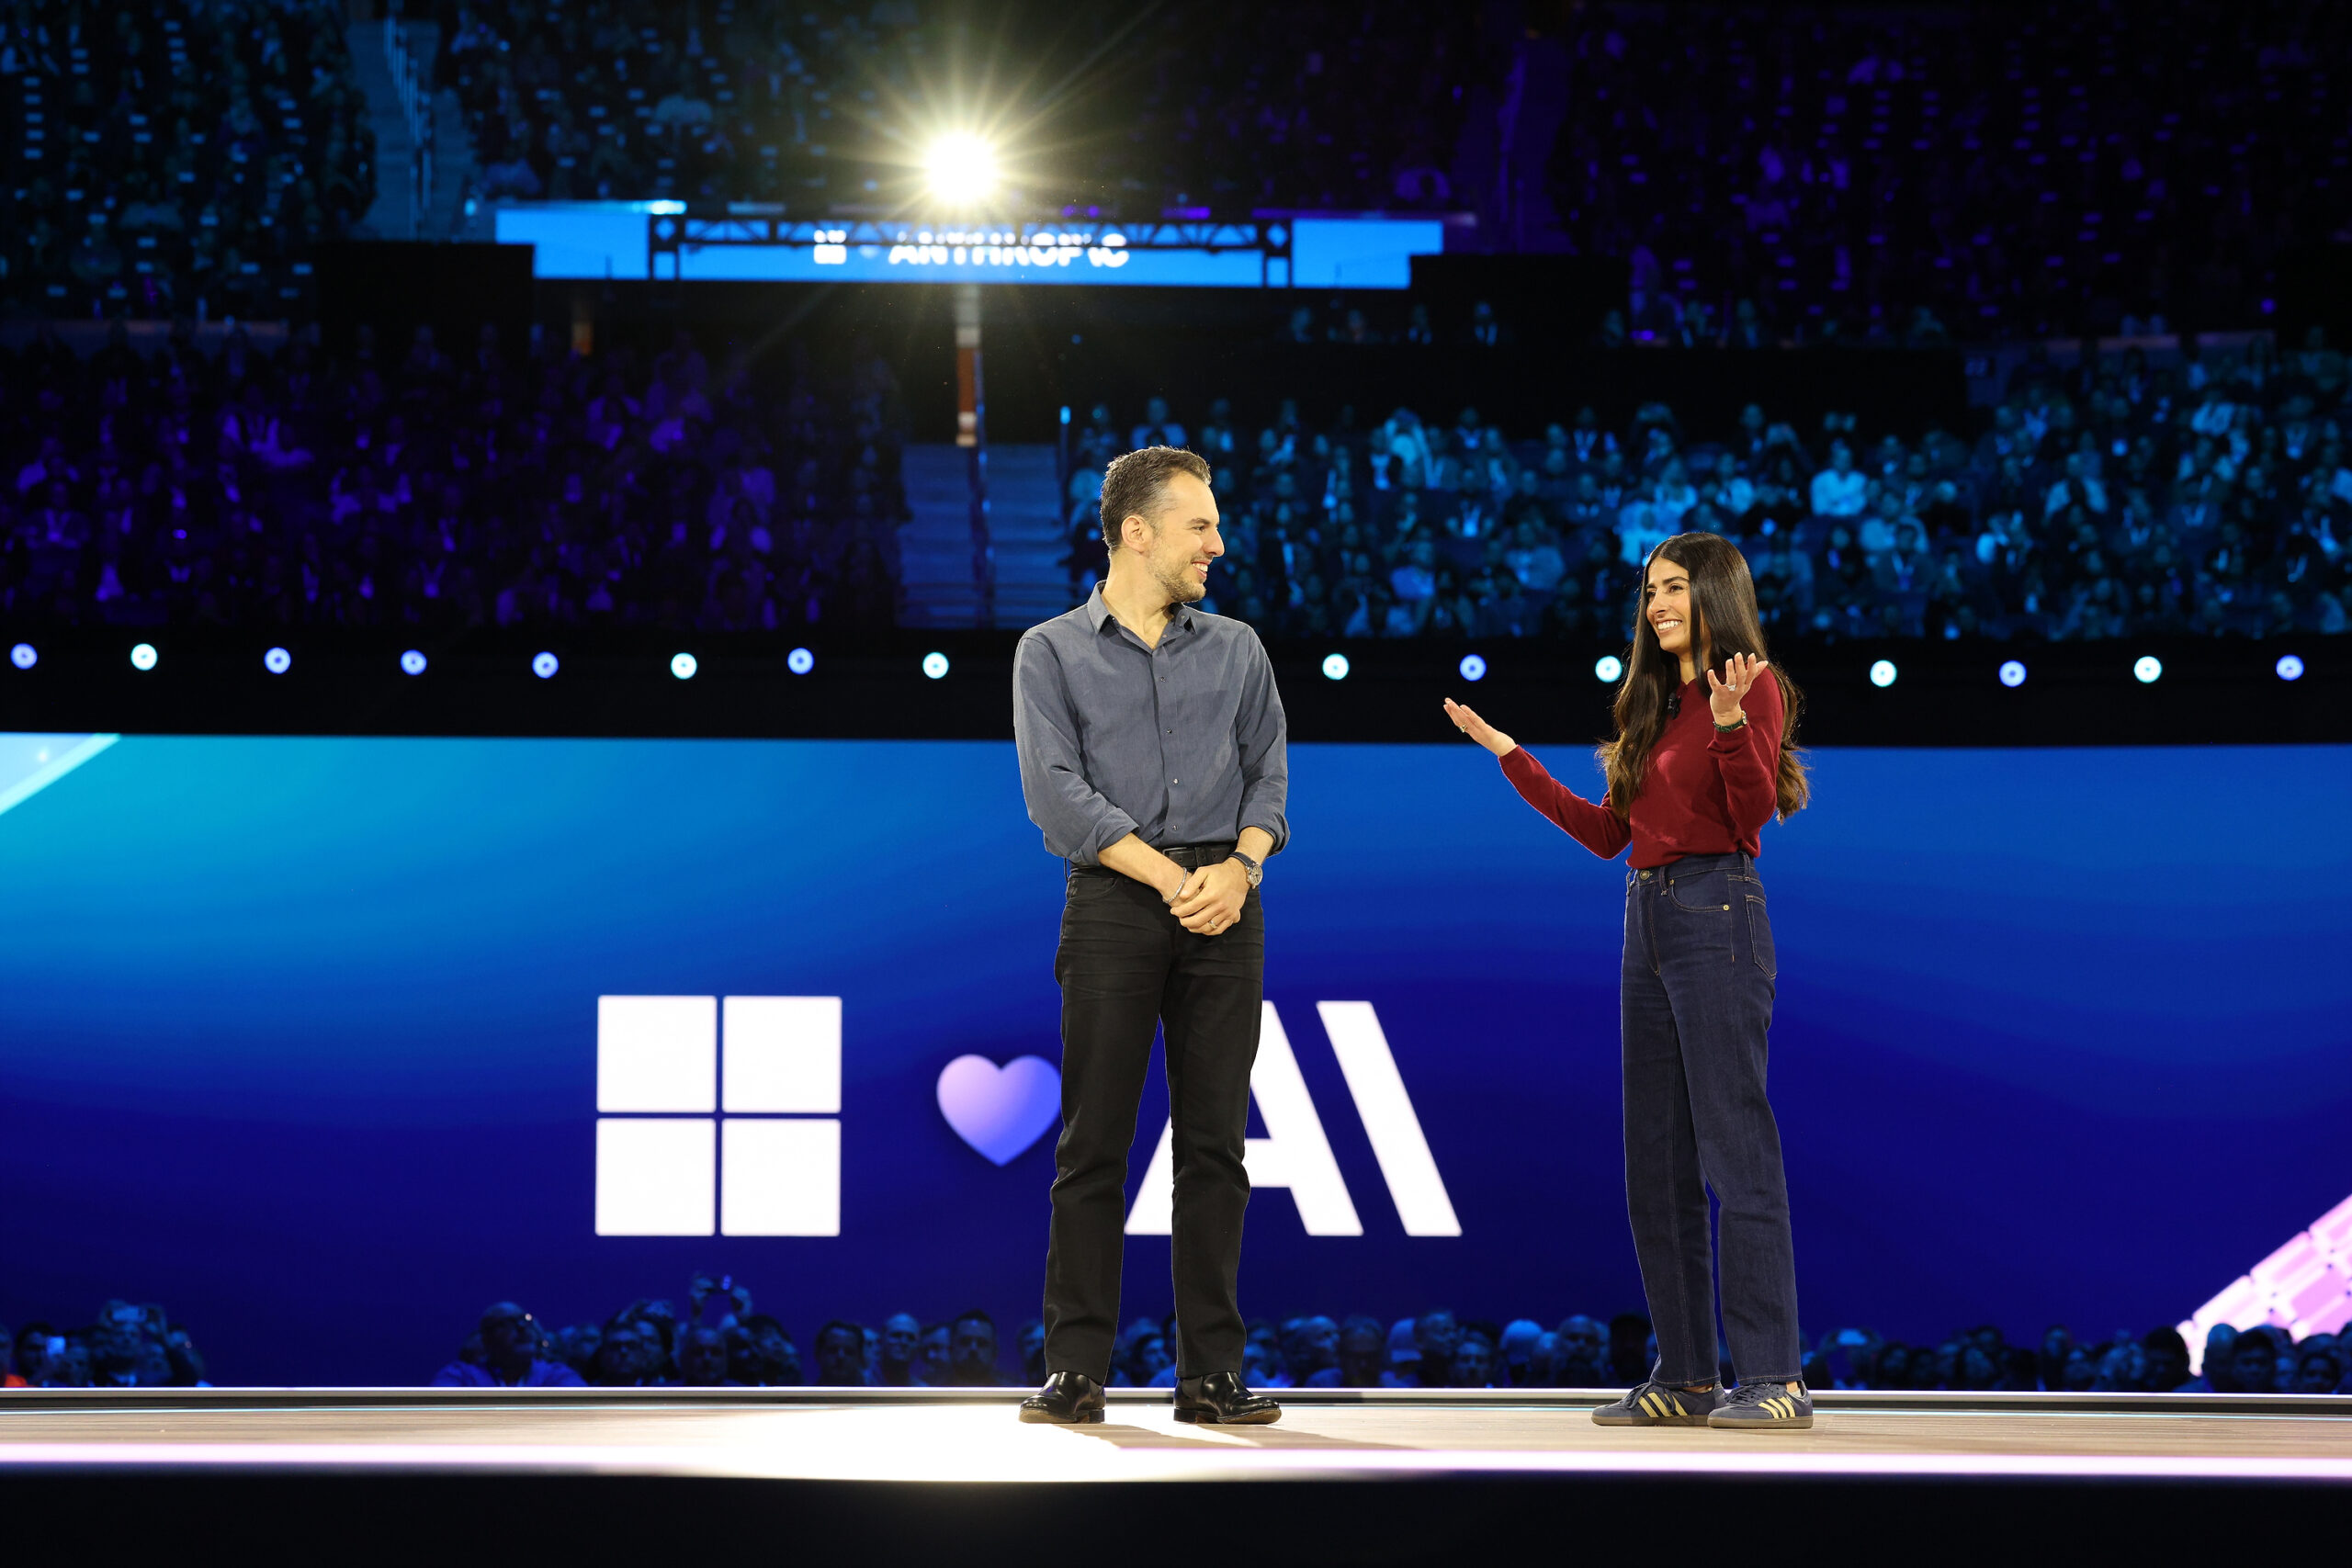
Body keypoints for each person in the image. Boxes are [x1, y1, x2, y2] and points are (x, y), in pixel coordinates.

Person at [1444, 531, 1814, 1432]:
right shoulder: (1650, 702)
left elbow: (1750, 810)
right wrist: (1510, 756)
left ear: (1715, 595)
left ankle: (1773, 1376)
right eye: (1650, 590)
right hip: (1644, 920)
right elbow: (1612, 835)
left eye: (1675, 588)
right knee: (1655, 1165)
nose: (1657, 604)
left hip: (1716, 911)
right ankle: (1686, 1376)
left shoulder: (1747, 685)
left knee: (1735, 1150)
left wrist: (1730, 726)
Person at [1012, 445, 1290, 1428]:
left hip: (1226, 902)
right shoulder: (1049, 650)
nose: (1218, 543)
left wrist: (1241, 868)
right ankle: (1075, 1369)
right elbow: (1058, 800)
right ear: (1138, 532)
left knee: (1215, 1148)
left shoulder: (1238, 647)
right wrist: (1180, 879)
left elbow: (1269, 779)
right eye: (1199, 526)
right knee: (1093, 1144)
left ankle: (1210, 1376)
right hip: (1118, 905)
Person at [432, 1303, 586, 1388]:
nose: (522, 1328)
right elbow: (435, 1415)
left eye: (525, 1321)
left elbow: (585, 1413)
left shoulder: (556, 1374)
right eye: (507, 1323)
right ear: (486, 1339)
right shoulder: (461, 1376)